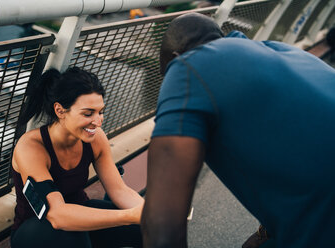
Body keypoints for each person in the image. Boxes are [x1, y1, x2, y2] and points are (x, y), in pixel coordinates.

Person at [141, 12, 335, 248]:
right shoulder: (287, 53)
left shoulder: (187, 66)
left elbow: (161, 227)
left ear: (177, 56)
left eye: (165, 73)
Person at [11, 67, 144, 248]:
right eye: (88, 114)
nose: (97, 122)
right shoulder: (31, 148)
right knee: (75, 240)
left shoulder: (96, 138)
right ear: (60, 110)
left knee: (149, 228)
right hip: (38, 229)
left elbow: (119, 191)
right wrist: (128, 216)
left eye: (100, 112)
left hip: (80, 218)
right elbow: (57, 215)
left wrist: (150, 213)